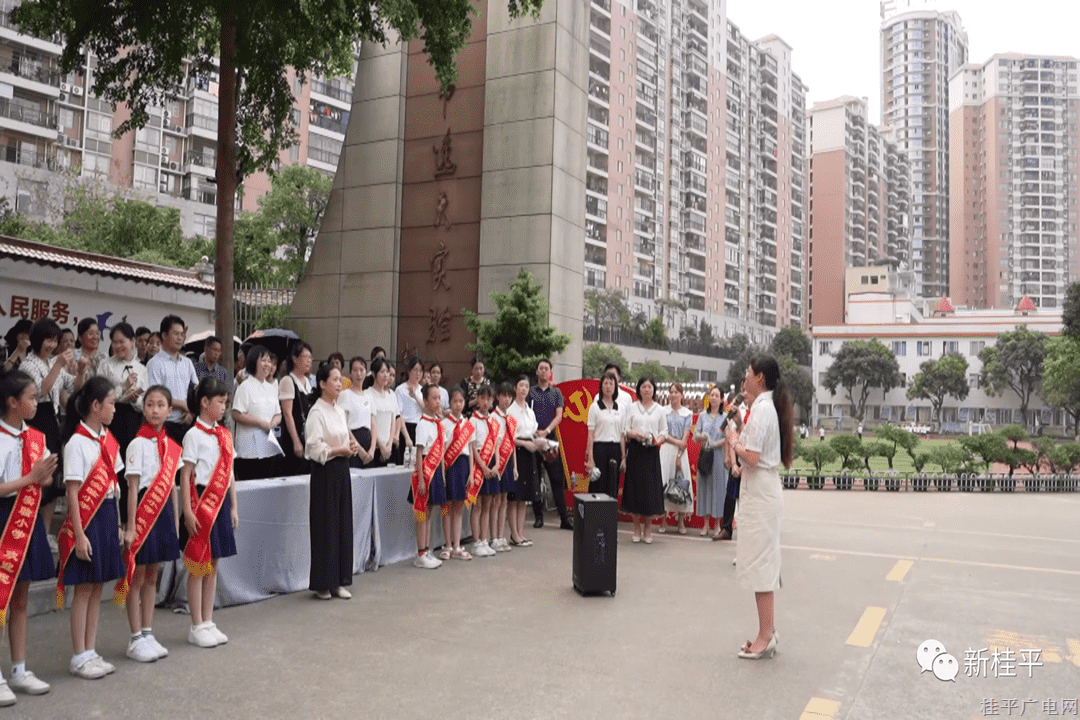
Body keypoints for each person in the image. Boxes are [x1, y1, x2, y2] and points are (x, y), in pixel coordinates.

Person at [725, 355, 794, 660]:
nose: (744, 378)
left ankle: (766, 635)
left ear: (761, 377)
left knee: (761, 567)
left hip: (762, 493)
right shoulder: (763, 407)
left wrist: (733, 441)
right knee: (759, 564)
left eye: (748, 374)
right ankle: (767, 630)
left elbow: (751, 456)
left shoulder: (764, 409)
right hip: (760, 490)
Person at [58, 376, 124, 680]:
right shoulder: (77, 443)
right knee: (83, 588)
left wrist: (121, 523)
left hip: (108, 513)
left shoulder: (108, 440)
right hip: (88, 519)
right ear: (96, 406)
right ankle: (79, 655)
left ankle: (91, 650)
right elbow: (72, 491)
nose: (114, 409)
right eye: (111, 403)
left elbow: (115, 485)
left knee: (98, 587)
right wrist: (80, 533)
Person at [0, 371, 59, 703]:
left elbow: (43, 480)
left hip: (28, 516)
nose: (37, 402)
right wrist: (31, 478)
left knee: (20, 597)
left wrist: (43, 477)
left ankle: (19, 669)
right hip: (5, 519)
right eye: (32, 397)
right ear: (12, 402)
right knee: (1, 598)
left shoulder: (36, 437)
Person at [117, 386, 181, 663]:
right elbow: (132, 488)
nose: (155, 410)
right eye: (150, 405)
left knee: (152, 576)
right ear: (144, 409)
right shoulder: (136, 444)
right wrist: (131, 527)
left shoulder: (171, 445)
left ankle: (148, 631)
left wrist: (177, 523)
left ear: (169, 410)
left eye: (161, 405)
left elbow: (174, 487)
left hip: (164, 510)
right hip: (143, 509)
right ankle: (135, 637)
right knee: (137, 575)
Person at [180, 377, 238, 649]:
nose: (224, 407)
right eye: (220, 402)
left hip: (221, 501)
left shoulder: (224, 435)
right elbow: (186, 474)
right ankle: (196, 624)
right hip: (202, 501)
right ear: (204, 402)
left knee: (214, 563)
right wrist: (187, 511)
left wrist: (234, 505)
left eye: (226, 402)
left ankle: (208, 619)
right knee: (197, 565)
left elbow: (230, 473)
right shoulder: (193, 434)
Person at [22, 319, 86, 552]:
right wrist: (58, 365)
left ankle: (46, 532)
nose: (52, 345)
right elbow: (41, 391)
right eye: (49, 339)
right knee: (37, 475)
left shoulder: (52, 362)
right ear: (38, 339)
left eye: (55, 340)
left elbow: (75, 387)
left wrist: (81, 370)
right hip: (35, 420)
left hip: (52, 422)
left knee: (52, 477)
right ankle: (29, 530)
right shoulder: (28, 364)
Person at [304, 364, 360, 600]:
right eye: (334, 380)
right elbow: (314, 448)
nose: (339, 383)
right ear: (322, 384)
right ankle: (323, 583)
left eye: (340, 380)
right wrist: (340, 450)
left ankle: (339, 580)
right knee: (325, 526)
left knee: (342, 524)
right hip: (325, 471)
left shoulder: (339, 410)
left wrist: (352, 447)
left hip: (342, 470)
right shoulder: (316, 413)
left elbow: (345, 438)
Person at [97, 323, 149, 524]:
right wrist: (122, 390)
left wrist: (134, 398)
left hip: (133, 421)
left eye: (122, 341)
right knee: (112, 467)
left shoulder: (141, 369)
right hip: (112, 420)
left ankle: (131, 518)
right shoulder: (106, 365)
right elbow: (101, 393)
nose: (118, 346)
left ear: (132, 342)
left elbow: (145, 400)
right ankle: (111, 517)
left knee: (131, 467)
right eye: (115, 342)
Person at [527, 359, 572, 530]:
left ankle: (564, 519)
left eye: (547, 369)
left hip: (550, 438)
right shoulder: (531, 392)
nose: (544, 371)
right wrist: (536, 431)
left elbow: (559, 416)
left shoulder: (556, 393)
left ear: (550, 372)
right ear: (537, 372)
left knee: (556, 479)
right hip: (533, 438)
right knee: (535, 478)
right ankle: (538, 517)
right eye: (541, 369)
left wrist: (546, 431)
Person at [621, 376, 666, 543]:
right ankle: (636, 527)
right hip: (635, 451)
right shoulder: (632, 408)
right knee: (634, 489)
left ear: (654, 390)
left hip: (651, 452)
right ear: (639, 389)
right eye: (644, 386)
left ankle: (648, 527)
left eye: (649, 387)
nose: (647, 389)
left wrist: (658, 440)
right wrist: (634, 434)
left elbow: (664, 431)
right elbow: (625, 429)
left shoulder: (660, 410)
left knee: (649, 490)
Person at [231, 345, 284, 480]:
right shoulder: (245, 387)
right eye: (263, 360)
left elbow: (278, 413)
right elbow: (236, 414)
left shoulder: (271, 388)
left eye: (269, 361)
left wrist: (273, 422)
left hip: (268, 448)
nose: (268, 364)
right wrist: (259, 422)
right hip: (249, 452)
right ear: (253, 361)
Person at [146, 315, 198, 447]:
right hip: (164, 425)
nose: (180, 338)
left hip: (187, 424)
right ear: (164, 335)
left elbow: (196, 390)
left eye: (182, 334)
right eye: (176, 334)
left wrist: (191, 412)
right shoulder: (155, 363)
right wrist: (182, 405)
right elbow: (155, 396)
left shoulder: (187, 363)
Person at [411, 385, 445, 569]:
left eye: (439, 398)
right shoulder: (422, 424)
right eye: (434, 398)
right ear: (425, 401)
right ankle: (421, 553)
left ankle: (427, 549)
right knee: (422, 513)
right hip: (425, 470)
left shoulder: (437, 424)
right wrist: (422, 479)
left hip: (436, 471)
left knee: (430, 511)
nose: (438, 401)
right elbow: (419, 453)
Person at [438, 389, 474, 560]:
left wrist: (472, 472)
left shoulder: (468, 424)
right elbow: (442, 449)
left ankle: (458, 545)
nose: (458, 404)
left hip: (463, 464)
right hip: (449, 465)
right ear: (450, 404)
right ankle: (448, 545)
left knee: (459, 507)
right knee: (447, 507)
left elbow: (472, 450)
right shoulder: (444, 423)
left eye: (461, 401)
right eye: (455, 401)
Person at [468, 385, 500, 558]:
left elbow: (495, 445)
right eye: (482, 398)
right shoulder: (472, 421)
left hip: (492, 462)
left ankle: (485, 539)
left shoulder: (493, 422)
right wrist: (483, 467)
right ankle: (476, 541)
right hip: (479, 462)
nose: (485, 402)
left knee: (489, 503)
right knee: (477, 504)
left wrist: (496, 465)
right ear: (477, 399)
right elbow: (472, 447)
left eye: (488, 398)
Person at [693, 386, 729, 539]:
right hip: (705, 456)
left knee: (718, 489)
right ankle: (705, 523)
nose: (713, 397)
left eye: (716, 395)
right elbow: (695, 436)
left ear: (721, 399)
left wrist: (715, 443)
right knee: (704, 487)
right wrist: (703, 436)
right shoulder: (702, 416)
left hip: (719, 456)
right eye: (711, 395)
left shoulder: (725, 417)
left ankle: (717, 525)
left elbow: (728, 438)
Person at [505, 375, 537, 547]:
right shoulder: (511, 411)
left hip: (529, 452)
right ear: (515, 388)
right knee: (514, 496)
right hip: (516, 452)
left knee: (524, 497)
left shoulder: (530, 411)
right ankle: (514, 534)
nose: (524, 389)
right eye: (521, 385)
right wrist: (524, 443)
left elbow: (533, 432)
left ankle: (521, 533)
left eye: (526, 385)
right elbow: (509, 438)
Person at [660, 382, 694, 534]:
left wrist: (679, 456)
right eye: (671, 392)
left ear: (682, 394)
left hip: (680, 452)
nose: (673, 394)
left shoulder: (687, 413)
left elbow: (685, 439)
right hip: (665, 451)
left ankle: (681, 521)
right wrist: (674, 440)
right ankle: (663, 520)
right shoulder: (663, 411)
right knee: (664, 482)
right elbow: (663, 435)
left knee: (681, 484)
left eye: (676, 392)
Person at [585, 372, 624, 499]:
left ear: (615, 387)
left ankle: (610, 518)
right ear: (601, 386)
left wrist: (623, 457)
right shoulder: (594, 407)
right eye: (605, 383)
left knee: (612, 485)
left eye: (611, 383)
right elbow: (590, 435)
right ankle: (596, 517)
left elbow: (622, 435)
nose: (608, 386)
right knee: (598, 484)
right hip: (600, 449)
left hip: (616, 450)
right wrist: (590, 458)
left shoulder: (620, 408)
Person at [278, 341, 314, 476]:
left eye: (310, 357)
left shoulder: (308, 381)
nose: (309, 361)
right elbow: (287, 414)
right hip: (294, 437)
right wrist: (296, 441)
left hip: (308, 438)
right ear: (295, 359)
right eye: (305, 357)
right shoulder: (288, 381)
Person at [489, 382, 517, 553]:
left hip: (508, 462)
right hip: (496, 460)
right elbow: (493, 443)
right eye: (503, 395)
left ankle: (501, 535)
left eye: (509, 396)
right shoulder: (493, 418)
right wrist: (497, 462)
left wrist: (515, 467)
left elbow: (512, 443)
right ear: (497, 397)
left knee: (504, 500)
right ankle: (493, 537)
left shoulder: (511, 419)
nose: (506, 399)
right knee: (495, 500)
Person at [340, 357, 376, 468]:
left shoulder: (369, 396)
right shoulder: (345, 395)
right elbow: (343, 424)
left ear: (366, 372)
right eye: (355, 370)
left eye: (361, 370)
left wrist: (372, 450)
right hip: (353, 443)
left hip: (368, 443)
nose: (358, 374)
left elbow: (373, 424)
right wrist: (359, 448)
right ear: (350, 373)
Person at [364, 357, 400, 467]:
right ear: (374, 374)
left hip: (389, 449)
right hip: (374, 448)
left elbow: (393, 422)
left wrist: (389, 446)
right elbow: (370, 423)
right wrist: (381, 446)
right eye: (382, 372)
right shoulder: (368, 394)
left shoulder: (391, 395)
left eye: (387, 372)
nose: (386, 375)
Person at [394, 357, 423, 465]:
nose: (418, 373)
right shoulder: (400, 389)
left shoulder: (422, 390)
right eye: (415, 370)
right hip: (406, 428)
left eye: (420, 370)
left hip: (420, 428)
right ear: (409, 371)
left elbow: (425, 408)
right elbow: (399, 415)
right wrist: (407, 437)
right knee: (405, 462)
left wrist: (415, 395)